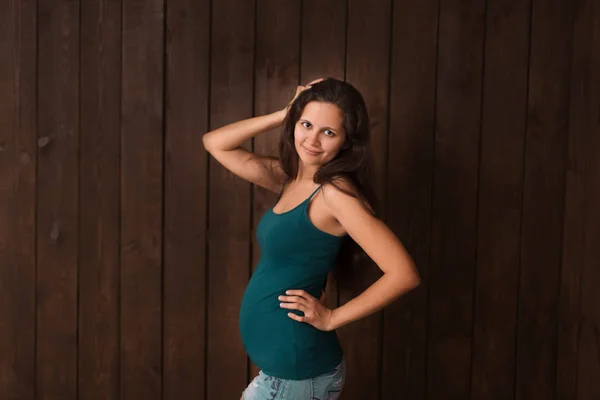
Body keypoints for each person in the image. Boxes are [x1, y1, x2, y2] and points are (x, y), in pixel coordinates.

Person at [202, 78, 420, 400]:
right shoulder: (290, 179)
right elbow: (215, 143)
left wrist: (333, 317)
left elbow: (404, 274)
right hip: (289, 371)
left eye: (328, 132)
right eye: (306, 124)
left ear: (346, 142)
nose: (312, 140)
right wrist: (285, 113)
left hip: (298, 372)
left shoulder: (334, 194)